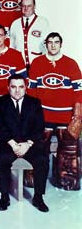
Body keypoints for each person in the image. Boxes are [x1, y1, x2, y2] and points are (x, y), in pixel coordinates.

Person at [28, 32, 82, 190]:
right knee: (38, 149)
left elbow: (79, 92)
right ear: (46, 44)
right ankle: (36, 179)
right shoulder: (37, 63)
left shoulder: (71, 63)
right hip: (44, 115)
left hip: (65, 116)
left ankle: (67, 180)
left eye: (56, 42)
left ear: (61, 44)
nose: (53, 45)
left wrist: (77, 115)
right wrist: (32, 115)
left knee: (69, 152)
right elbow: (31, 91)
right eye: (50, 42)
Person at [0, 74, 49, 212]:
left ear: (26, 88)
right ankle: (4, 197)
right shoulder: (0, 103)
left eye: (21, 87)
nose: (17, 90)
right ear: (8, 88)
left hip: (29, 144)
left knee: (42, 159)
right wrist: (13, 145)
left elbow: (39, 127)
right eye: (13, 87)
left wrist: (27, 144)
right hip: (9, 144)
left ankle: (38, 197)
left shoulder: (34, 103)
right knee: (2, 159)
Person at [9, 0, 50, 69]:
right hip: (20, 65)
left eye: (29, 6)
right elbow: (11, 46)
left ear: (34, 6)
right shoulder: (15, 23)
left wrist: (45, 62)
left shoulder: (43, 22)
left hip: (38, 64)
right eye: (23, 6)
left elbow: (48, 44)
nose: (26, 8)